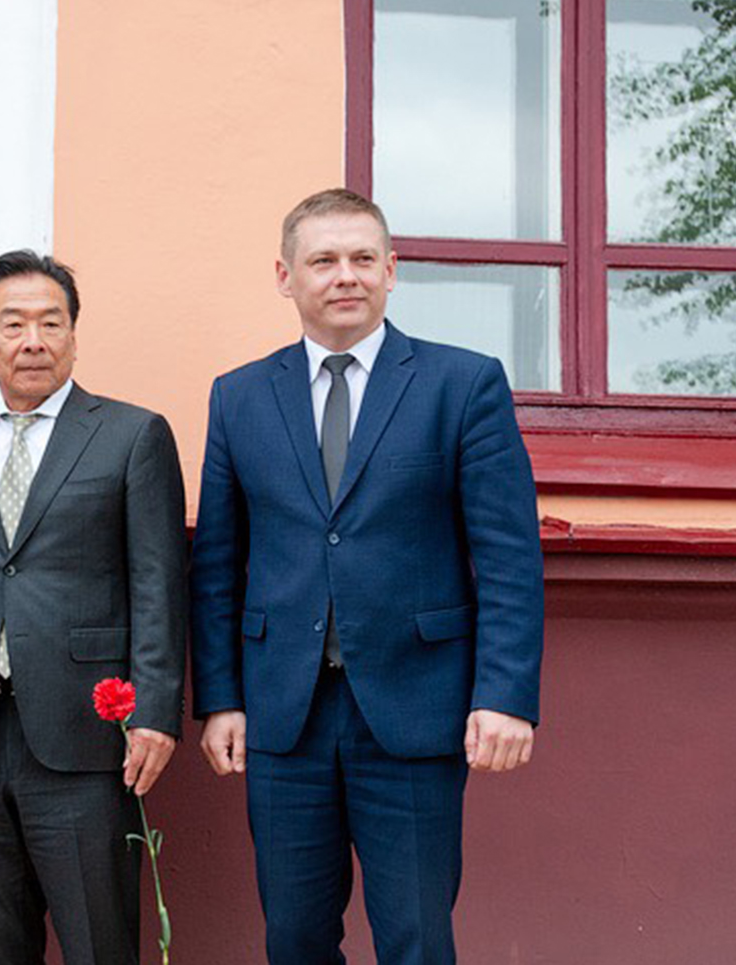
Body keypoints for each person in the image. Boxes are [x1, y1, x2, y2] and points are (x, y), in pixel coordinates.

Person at [190, 188, 545, 965]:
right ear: (286, 277)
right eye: (323, 261)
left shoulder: (463, 385)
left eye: (361, 259)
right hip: (285, 718)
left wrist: (504, 695)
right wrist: (218, 699)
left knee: (415, 937)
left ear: (392, 270)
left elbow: (509, 558)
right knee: (294, 938)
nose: (344, 276)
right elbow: (217, 562)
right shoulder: (240, 396)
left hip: (416, 712)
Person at [0, 250, 189, 965]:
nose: (32, 340)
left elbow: (159, 581)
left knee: (99, 941)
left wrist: (155, 710)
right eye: (12, 324)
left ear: (73, 335)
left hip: (88, 738)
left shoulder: (132, 435)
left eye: (50, 322)